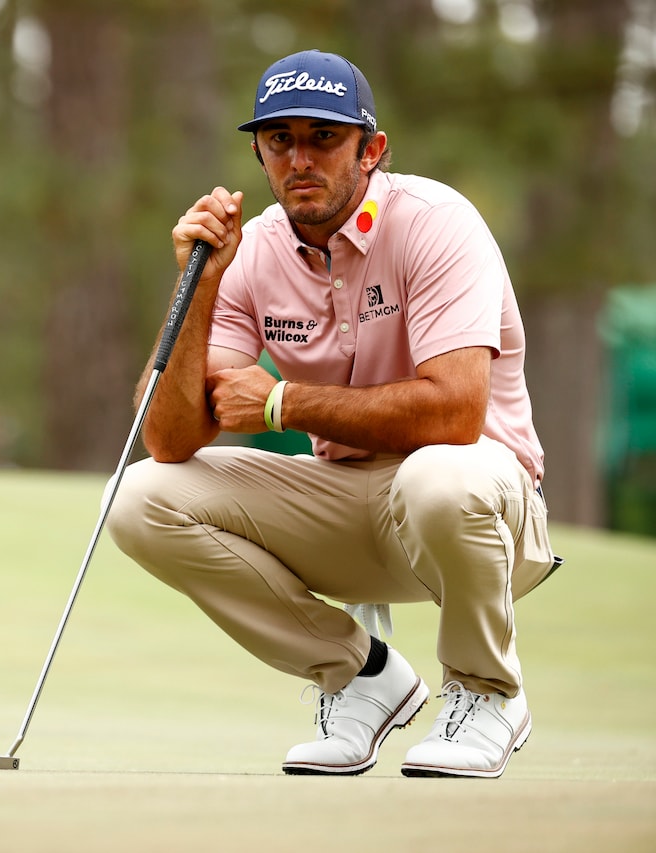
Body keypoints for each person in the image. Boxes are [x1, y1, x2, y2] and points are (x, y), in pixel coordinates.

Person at [106, 49, 561, 778]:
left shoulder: (437, 223)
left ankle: (487, 691)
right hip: (349, 507)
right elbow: (166, 437)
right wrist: (200, 283)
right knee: (139, 497)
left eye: (324, 137)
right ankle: (360, 674)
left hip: (482, 511)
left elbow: (455, 412)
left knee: (439, 477)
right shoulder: (250, 251)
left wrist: (281, 401)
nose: (300, 159)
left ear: (370, 150)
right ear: (258, 153)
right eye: (279, 140)